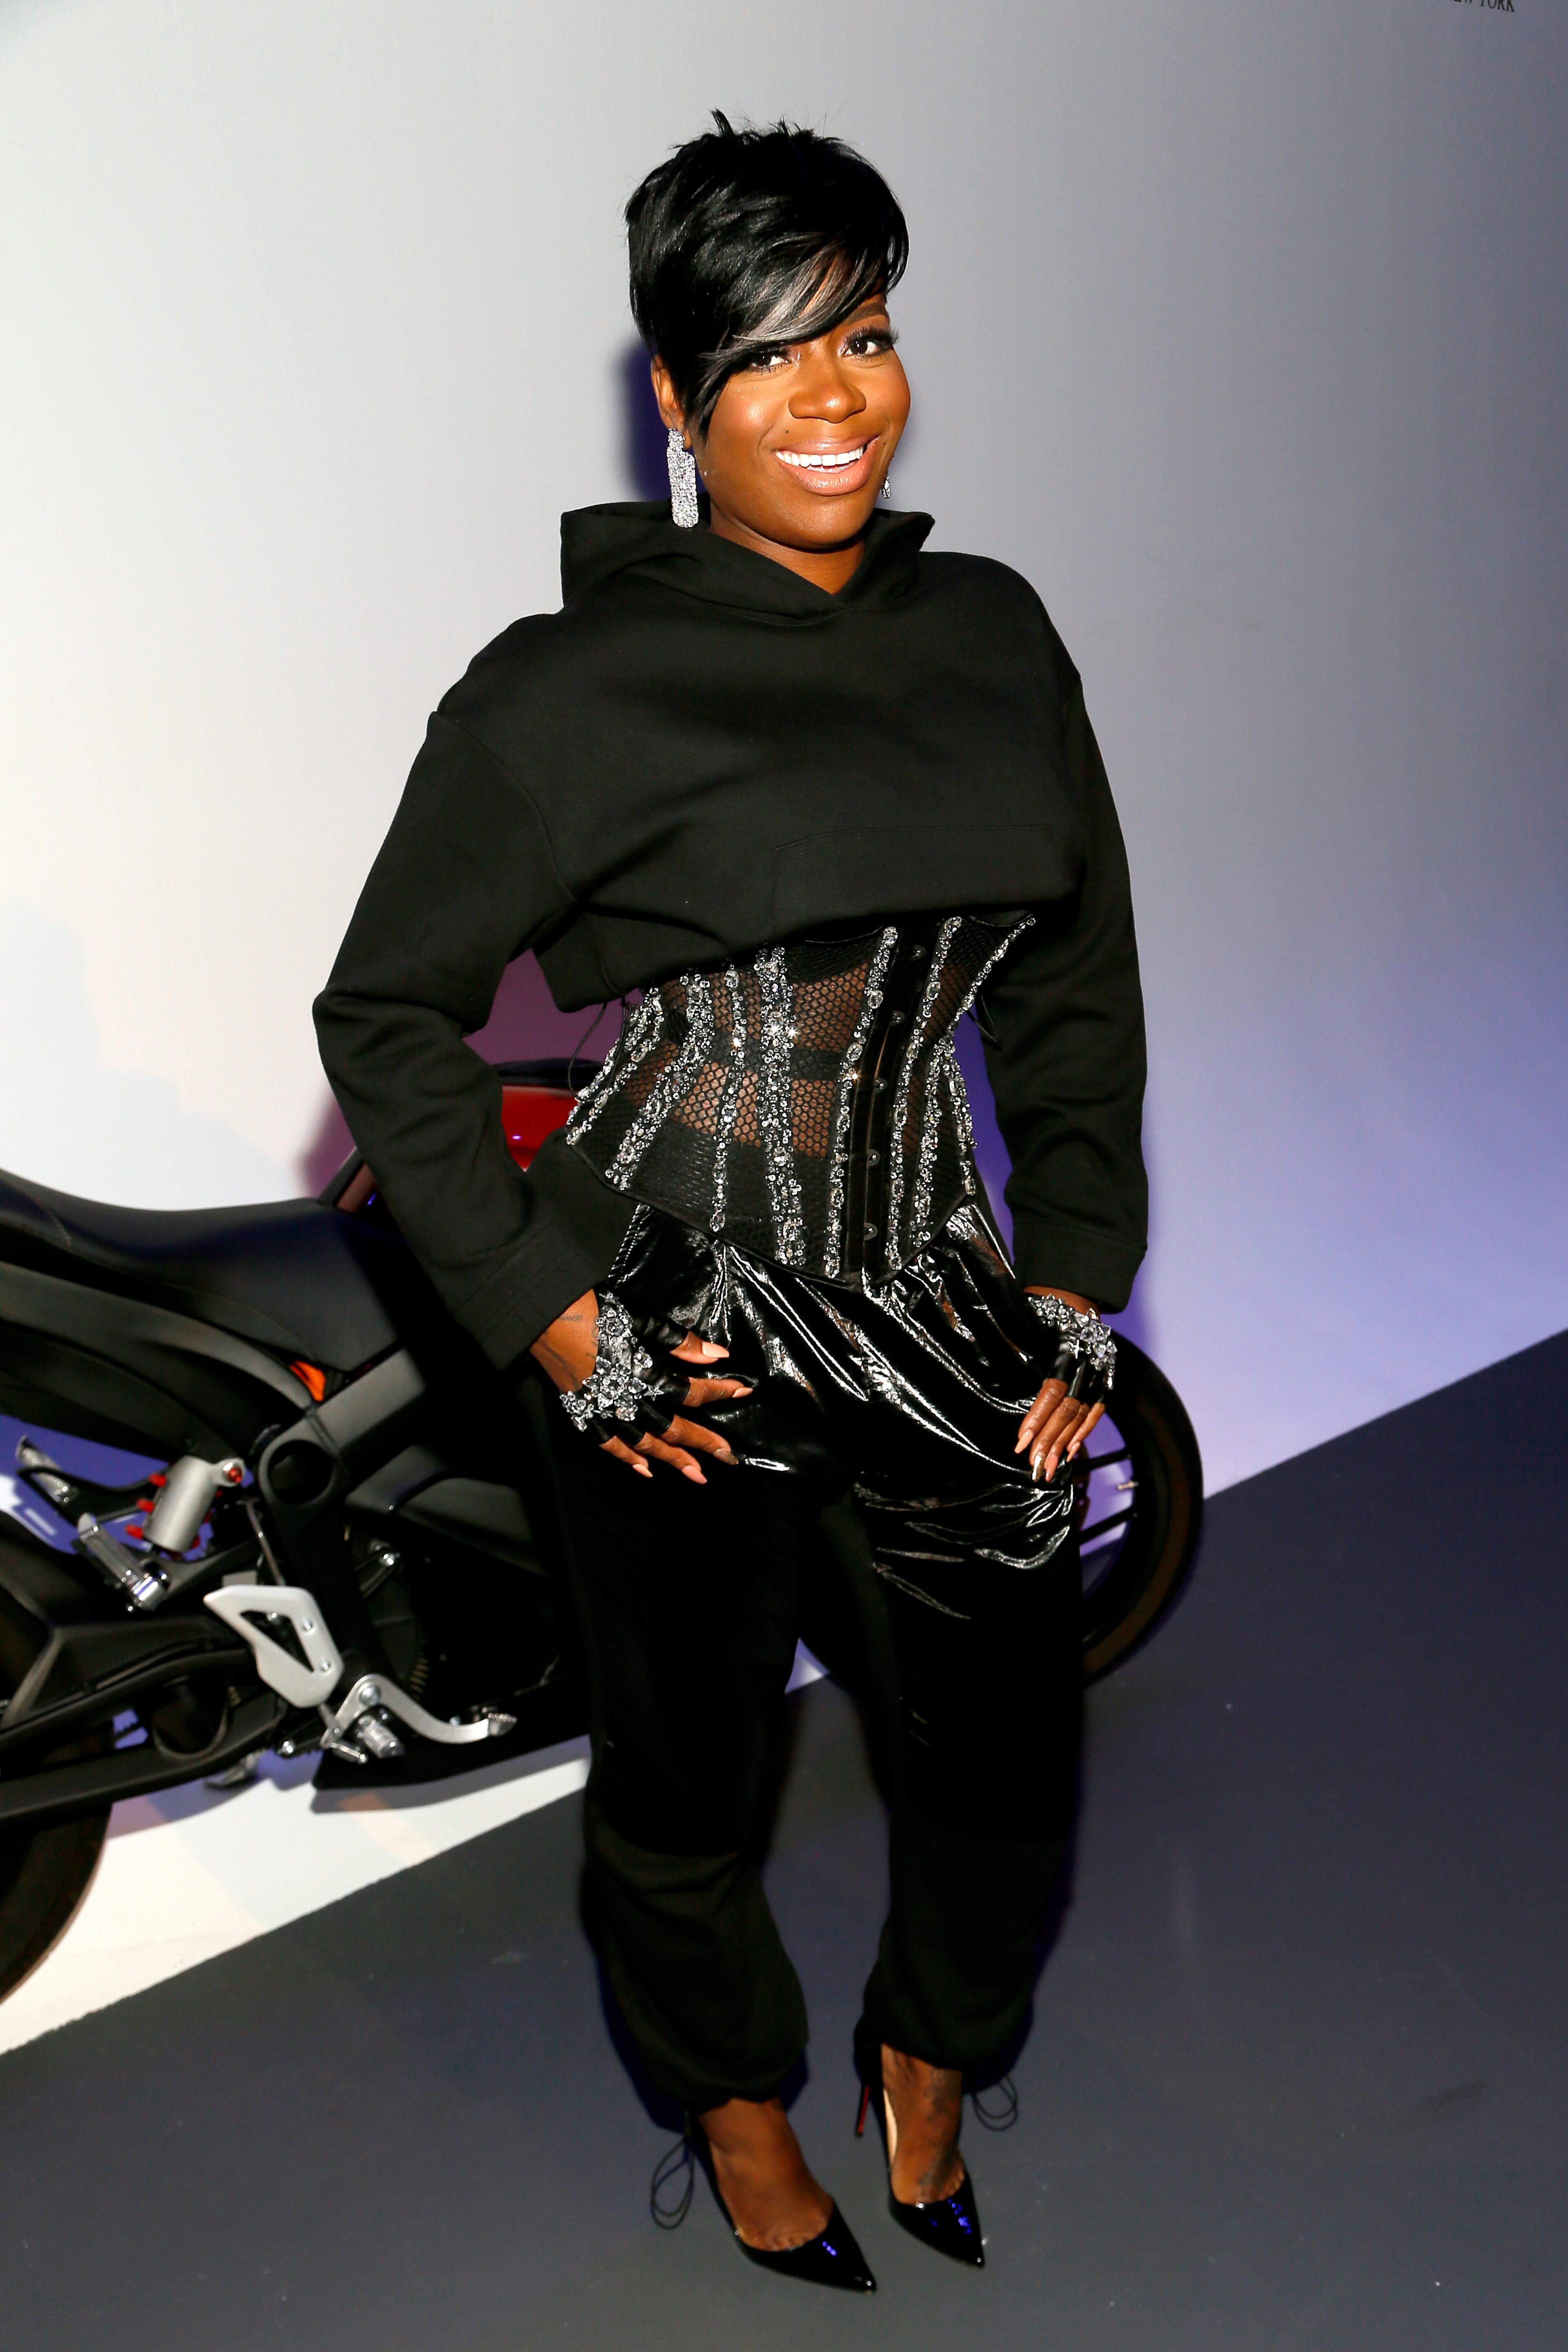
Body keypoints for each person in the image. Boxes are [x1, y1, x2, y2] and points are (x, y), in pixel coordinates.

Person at [315, 114, 1146, 2293]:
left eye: (863, 334)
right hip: (674, 1327)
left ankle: (933, 2056)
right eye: (770, 358)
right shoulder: (561, 690)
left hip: (950, 1310)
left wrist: (1072, 1282)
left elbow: (1075, 984)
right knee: (686, 1796)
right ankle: (742, 2106)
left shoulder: (993, 631)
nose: (837, 395)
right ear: (678, 405)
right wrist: (563, 1329)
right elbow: (382, 1014)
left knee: (1006, 1775)